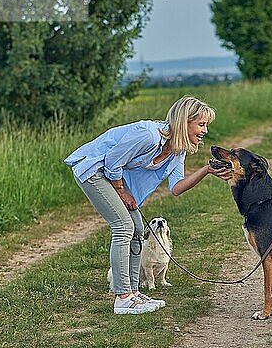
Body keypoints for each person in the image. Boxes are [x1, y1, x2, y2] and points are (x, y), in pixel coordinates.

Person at [64, 96, 231, 315]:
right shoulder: (149, 135)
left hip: (113, 176)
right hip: (94, 169)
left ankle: (134, 293)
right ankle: (122, 297)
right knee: (123, 227)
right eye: (201, 124)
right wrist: (123, 192)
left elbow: (177, 188)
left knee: (138, 230)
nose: (205, 131)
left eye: (206, 125)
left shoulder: (176, 150)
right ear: (184, 121)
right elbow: (113, 162)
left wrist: (206, 170)